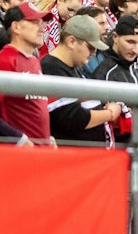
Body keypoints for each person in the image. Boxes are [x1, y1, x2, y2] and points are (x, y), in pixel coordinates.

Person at [40, 14, 119, 147]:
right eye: (90, 47)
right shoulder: (51, 68)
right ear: (71, 42)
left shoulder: (73, 66)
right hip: (72, 155)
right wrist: (109, 114)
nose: (93, 53)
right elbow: (73, 119)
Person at [0, 3, 51, 143]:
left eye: (42, 23)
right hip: (18, 152)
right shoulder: (4, 61)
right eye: (34, 22)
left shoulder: (34, 60)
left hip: (40, 149)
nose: (42, 28)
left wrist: (47, 138)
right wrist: (18, 139)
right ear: (16, 27)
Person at [92, 14, 138, 143]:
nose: (136, 50)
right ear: (115, 37)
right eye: (130, 42)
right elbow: (106, 121)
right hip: (117, 147)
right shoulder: (105, 73)